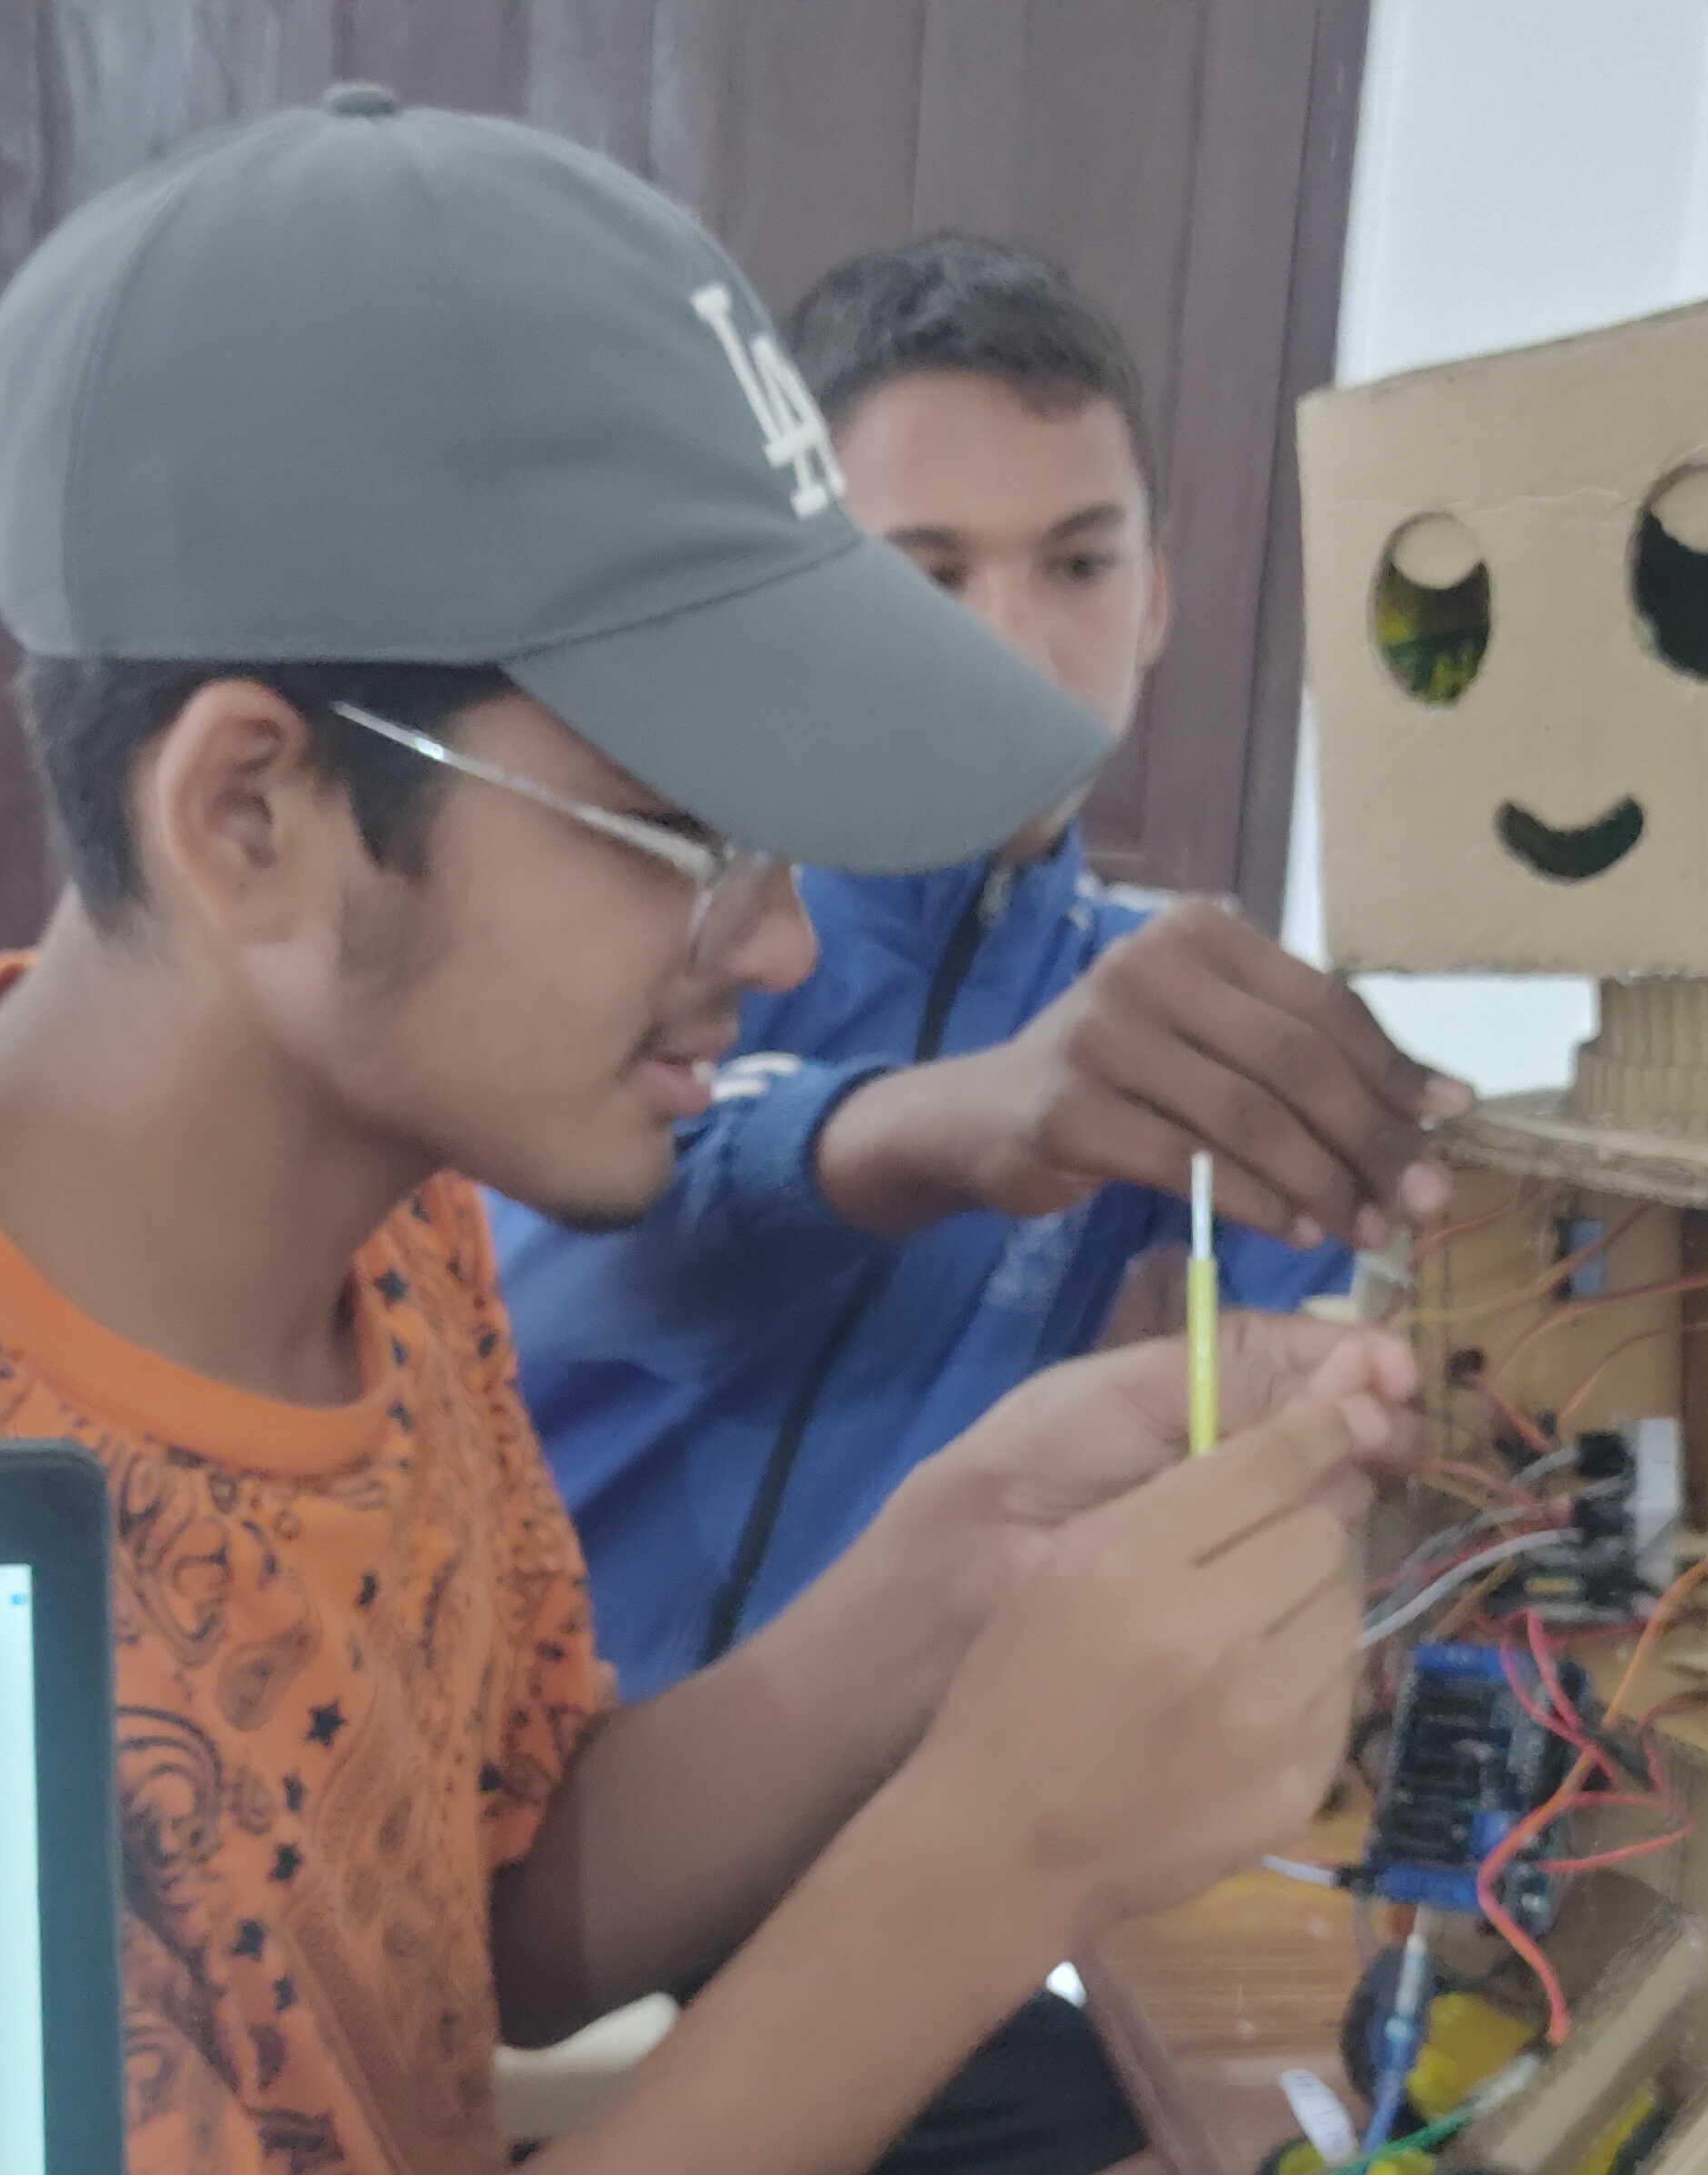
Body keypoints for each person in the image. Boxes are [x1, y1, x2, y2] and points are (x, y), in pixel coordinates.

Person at [0, 90, 1403, 2175]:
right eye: (679, 832)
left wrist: (950, 1572)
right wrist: (992, 1864)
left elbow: (491, 1930)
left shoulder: (381, 1233)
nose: (779, 949)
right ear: (254, 813)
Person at [496, 231, 1473, 1696]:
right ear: (794, 591)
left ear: (1156, 600)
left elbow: (1370, 1361)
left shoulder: (1193, 1029)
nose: (1010, 648)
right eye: (927, 573)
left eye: (1078, 565)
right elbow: (537, 1252)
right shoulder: (633, 909)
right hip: (500, 1781)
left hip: (934, 1821)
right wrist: (957, 1125)